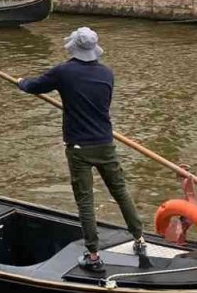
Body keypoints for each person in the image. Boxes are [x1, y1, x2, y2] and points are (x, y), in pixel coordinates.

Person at [16, 27, 145, 271]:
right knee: (121, 191)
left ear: (74, 48)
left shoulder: (64, 72)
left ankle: (93, 255)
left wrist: (21, 82)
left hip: (79, 147)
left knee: (85, 200)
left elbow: (34, 86)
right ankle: (139, 238)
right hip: (105, 143)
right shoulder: (107, 73)